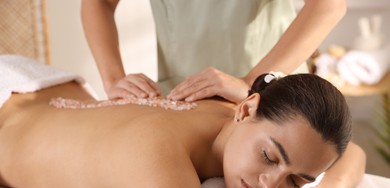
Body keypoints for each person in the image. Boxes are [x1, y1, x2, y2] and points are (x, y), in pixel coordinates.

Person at [0, 73, 365, 188]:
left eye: (296, 180)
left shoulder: (232, 106)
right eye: (269, 157)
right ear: (247, 108)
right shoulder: (164, 165)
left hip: (47, 99)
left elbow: (353, 153)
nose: (270, 186)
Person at [81, 0, 347, 103]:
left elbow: (328, 5)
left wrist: (251, 83)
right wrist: (113, 79)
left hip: (272, 95)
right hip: (182, 99)